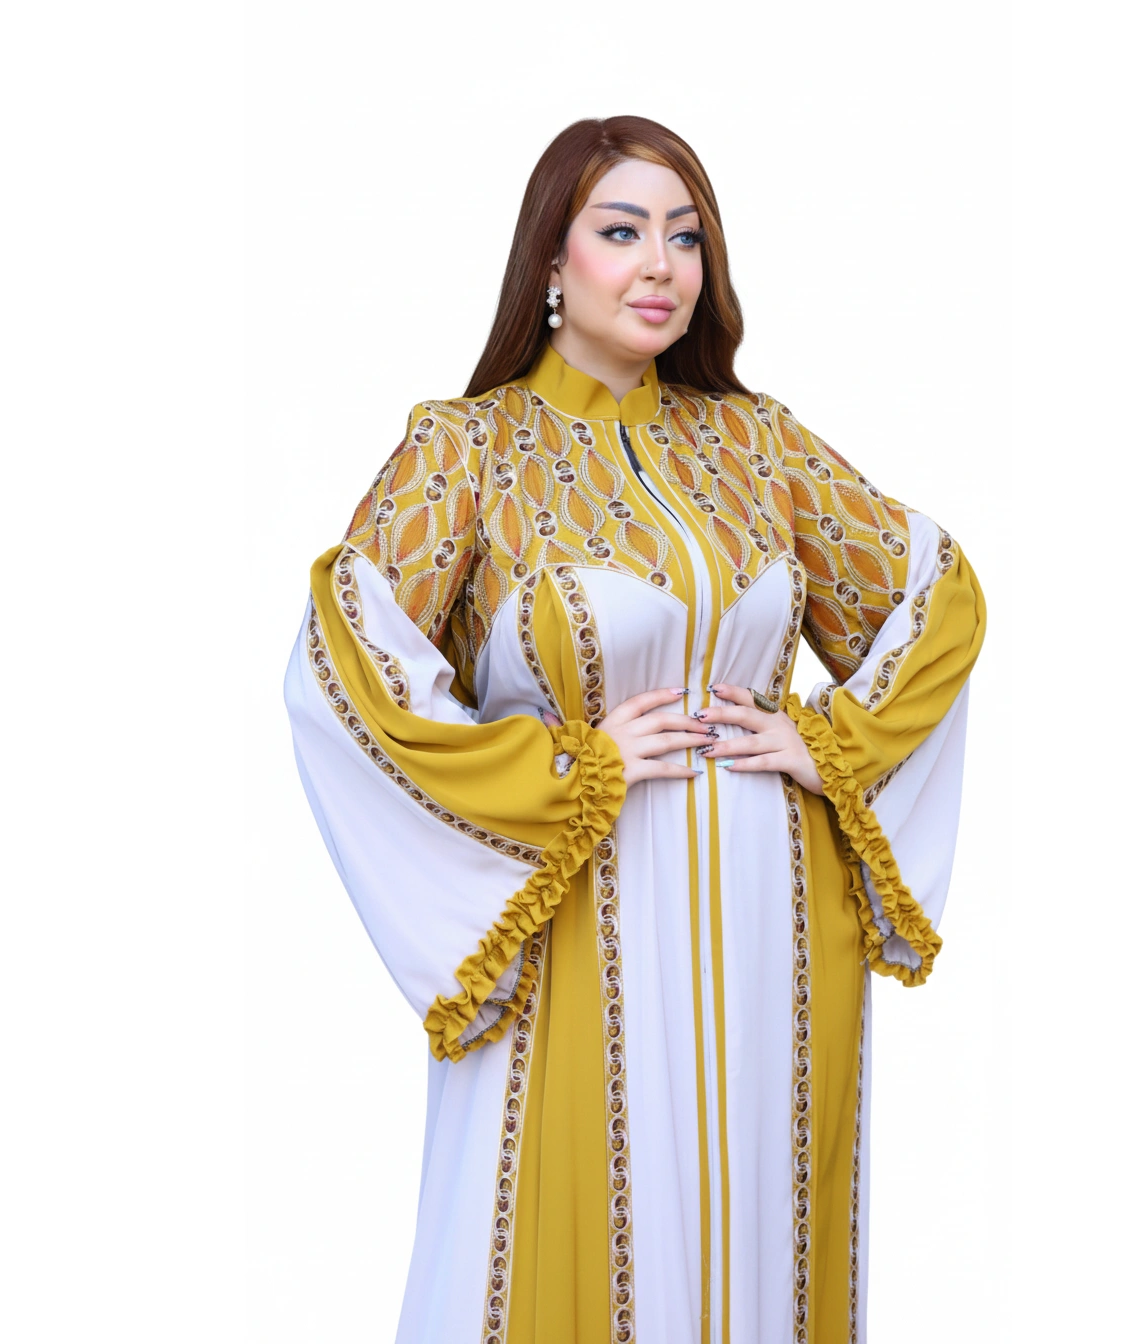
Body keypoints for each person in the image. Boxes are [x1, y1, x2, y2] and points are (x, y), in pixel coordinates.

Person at [283, 114, 986, 1344]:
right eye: (622, 232)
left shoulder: (758, 445)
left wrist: (832, 742)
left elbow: (938, 602)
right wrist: (565, 770)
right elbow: (349, 670)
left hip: (775, 934)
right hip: (578, 928)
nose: (662, 265)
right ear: (551, 262)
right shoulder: (471, 451)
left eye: (686, 236)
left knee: (759, 1243)